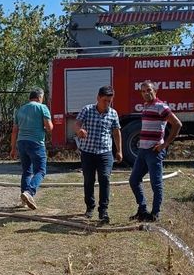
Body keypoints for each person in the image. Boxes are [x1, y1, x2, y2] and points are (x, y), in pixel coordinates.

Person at [129, 81, 182, 222]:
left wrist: (165, 144)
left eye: (149, 90)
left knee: (156, 184)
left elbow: (177, 124)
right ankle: (142, 210)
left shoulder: (161, 107)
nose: (146, 93)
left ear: (155, 91)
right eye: (143, 91)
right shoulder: (146, 107)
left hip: (154, 152)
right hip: (142, 151)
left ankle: (155, 214)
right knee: (134, 180)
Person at [75, 86, 122, 224]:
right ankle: (90, 207)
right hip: (88, 152)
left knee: (105, 178)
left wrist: (119, 150)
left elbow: (116, 132)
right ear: (98, 98)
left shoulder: (113, 113)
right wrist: (79, 131)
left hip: (105, 152)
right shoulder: (87, 110)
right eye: (104, 100)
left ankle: (103, 211)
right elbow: (77, 124)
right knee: (89, 179)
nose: (107, 103)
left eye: (109, 101)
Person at [10, 88, 53, 209]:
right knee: (40, 170)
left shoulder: (20, 110)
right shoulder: (42, 107)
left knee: (26, 171)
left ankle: (24, 200)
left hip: (21, 142)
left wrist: (13, 148)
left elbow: (14, 131)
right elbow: (49, 127)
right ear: (40, 97)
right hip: (36, 143)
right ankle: (29, 192)